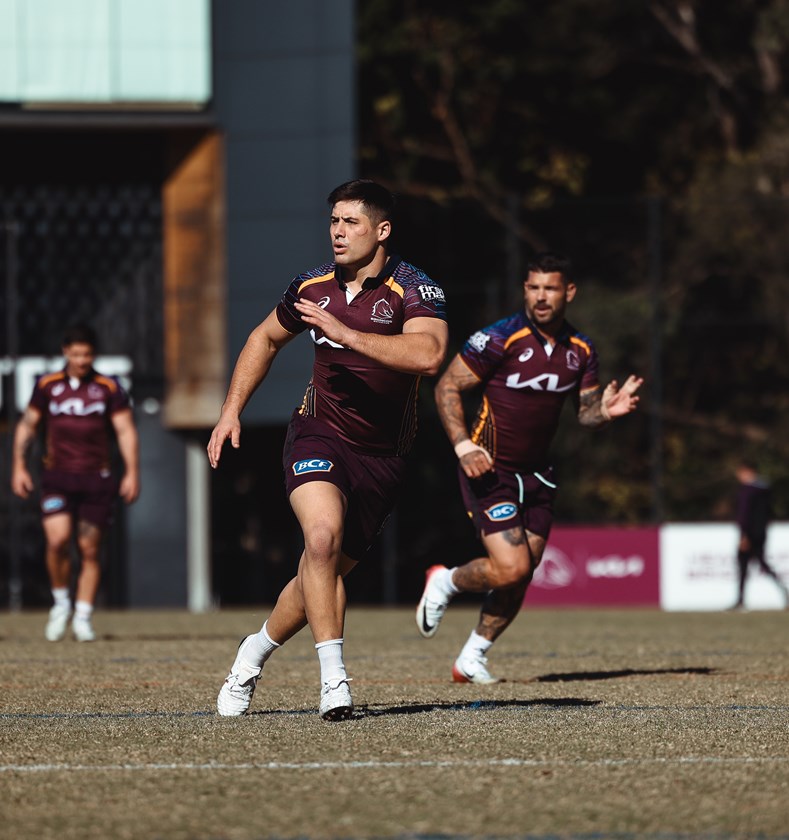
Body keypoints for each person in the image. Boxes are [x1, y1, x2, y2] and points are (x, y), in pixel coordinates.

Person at [208, 179, 448, 720]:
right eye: (333, 221)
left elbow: (429, 354)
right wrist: (230, 410)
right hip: (318, 431)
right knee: (319, 541)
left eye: (351, 223)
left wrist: (345, 332)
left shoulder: (416, 289)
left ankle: (253, 652)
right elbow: (263, 338)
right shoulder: (311, 286)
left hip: (384, 456)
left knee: (321, 571)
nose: (337, 233)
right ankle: (334, 683)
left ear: (382, 230)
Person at [417, 252, 643, 683]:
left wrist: (607, 412)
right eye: (533, 287)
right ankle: (445, 582)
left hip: (539, 475)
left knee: (524, 573)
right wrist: (464, 445)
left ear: (568, 292)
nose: (541, 297)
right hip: (490, 468)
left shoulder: (582, 351)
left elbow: (586, 412)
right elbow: (447, 385)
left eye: (550, 288)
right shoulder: (500, 337)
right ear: (525, 289)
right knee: (513, 567)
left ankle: (472, 657)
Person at [11, 323, 140, 642]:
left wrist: (132, 472)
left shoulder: (109, 387)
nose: (82, 360)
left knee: (89, 549)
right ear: (66, 352)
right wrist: (18, 467)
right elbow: (27, 427)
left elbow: (125, 431)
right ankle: (60, 604)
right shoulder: (47, 386)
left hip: (97, 478)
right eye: (76, 353)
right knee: (57, 541)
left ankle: (83, 616)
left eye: (87, 354)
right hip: (57, 477)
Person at [731, 460, 788, 610]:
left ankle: (740, 600)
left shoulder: (748, 492)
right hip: (761, 532)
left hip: (749, 533)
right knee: (762, 563)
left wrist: (744, 535)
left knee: (744, 565)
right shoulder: (765, 489)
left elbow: (744, 515)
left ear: (747, 472)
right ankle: (784, 591)